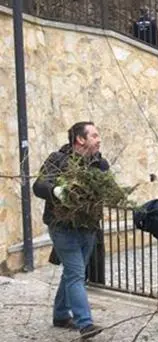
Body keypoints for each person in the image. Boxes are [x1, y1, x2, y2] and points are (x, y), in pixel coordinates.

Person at [33, 122, 106, 338]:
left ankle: (60, 315)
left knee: (72, 272)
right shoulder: (57, 160)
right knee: (76, 274)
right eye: (94, 135)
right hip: (62, 226)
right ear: (80, 139)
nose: (99, 139)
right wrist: (55, 190)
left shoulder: (99, 164)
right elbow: (38, 186)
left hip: (88, 227)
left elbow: (105, 190)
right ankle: (85, 323)